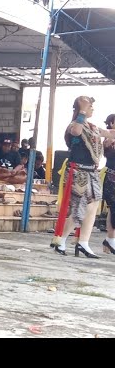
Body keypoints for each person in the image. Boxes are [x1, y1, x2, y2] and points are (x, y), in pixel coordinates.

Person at [50, 96, 115, 258]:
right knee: (79, 210)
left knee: (92, 208)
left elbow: (108, 133)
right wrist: (83, 112)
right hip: (78, 172)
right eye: (90, 106)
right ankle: (61, 240)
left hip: (91, 172)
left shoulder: (92, 127)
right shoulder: (75, 125)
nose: (92, 109)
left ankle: (83, 242)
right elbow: (76, 131)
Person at [100, 114, 115, 255]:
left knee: (113, 209)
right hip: (111, 176)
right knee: (113, 207)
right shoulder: (109, 138)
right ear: (111, 123)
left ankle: (109, 240)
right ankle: (110, 240)